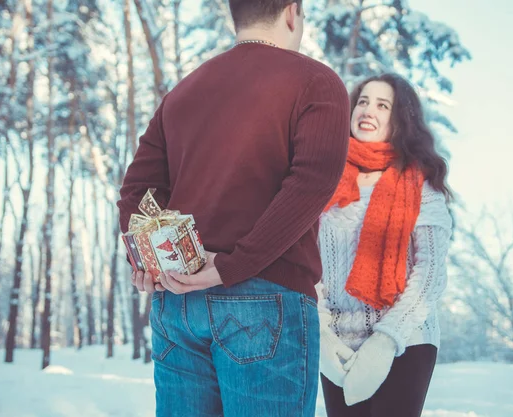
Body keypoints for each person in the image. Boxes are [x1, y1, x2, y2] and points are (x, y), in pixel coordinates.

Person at [116, 1, 350, 416]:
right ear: (292, 13)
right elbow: (310, 184)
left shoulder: (184, 91)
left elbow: (137, 189)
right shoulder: (317, 82)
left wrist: (151, 261)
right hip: (264, 302)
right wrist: (232, 266)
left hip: (178, 303)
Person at [317, 73, 453, 417]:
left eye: (382, 104)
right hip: (337, 344)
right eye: (362, 101)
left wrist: (385, 340)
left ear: (400, 118)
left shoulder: (421, 183)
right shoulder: (322, 180)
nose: (368, 110)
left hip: (406, 339)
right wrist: (321, 335)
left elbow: (431, 273)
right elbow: (305, 263)